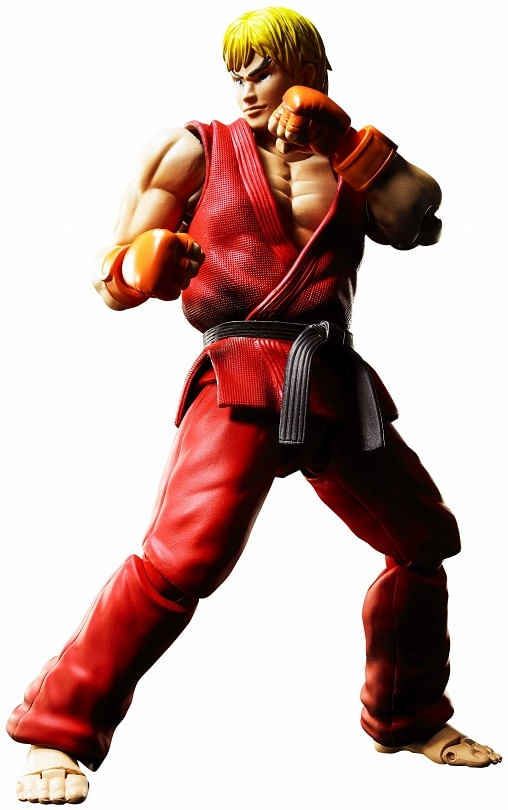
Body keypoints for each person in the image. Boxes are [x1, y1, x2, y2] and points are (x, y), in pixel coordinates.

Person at [7, 5, 501, 804]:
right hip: (240, 373)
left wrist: (347, 141)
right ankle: (56, 730)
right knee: (181, 558)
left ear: (305, 67)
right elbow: (108, 275)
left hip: (333, 377)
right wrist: (143, 267)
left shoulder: (348, 154)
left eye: (261, 70)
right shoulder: (194, 148)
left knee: (421, 539)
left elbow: (420, 218)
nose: (243, 87)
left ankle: (408, 717)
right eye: (235, 73)